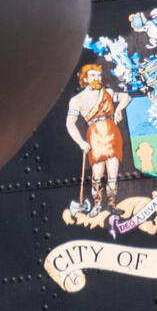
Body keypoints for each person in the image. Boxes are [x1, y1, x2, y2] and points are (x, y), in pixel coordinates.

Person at [66, 62, 130, 210]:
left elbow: (126, 97)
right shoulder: (77, 100)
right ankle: (97, 204)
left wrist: (119, 109)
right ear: (85, 78)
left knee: (113, 171)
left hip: (111, 132)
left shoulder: (107, 92)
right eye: (93, 75)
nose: (97, 78)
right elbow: (70, 124)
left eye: (98, 75)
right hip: (95, 135)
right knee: (97, 172)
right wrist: (80, 142)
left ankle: (112, 204)